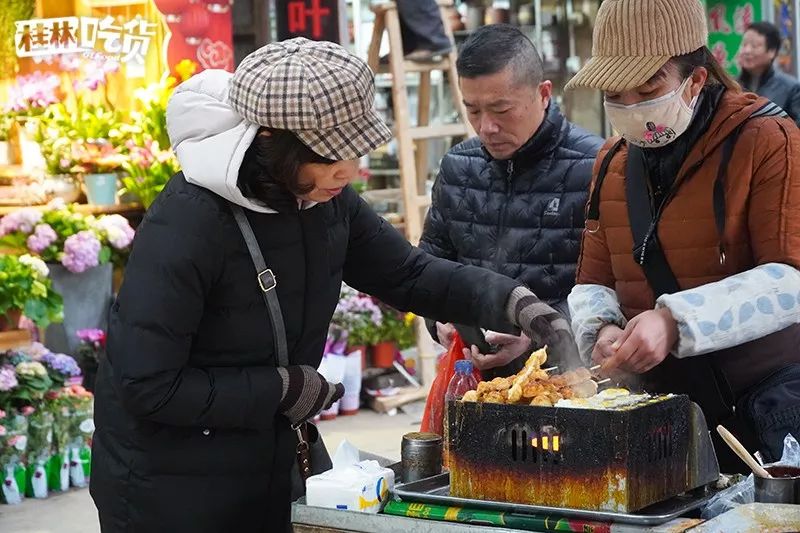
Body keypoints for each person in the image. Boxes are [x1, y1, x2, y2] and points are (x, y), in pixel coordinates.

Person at [89, 38, 578, 532]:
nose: (349, 171)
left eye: (355, 151)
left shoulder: (326, 199)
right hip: (167, 486)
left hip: (266, 456)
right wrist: (282, 389)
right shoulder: (190, 222)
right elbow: (146, 385)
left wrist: (510, 301)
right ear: (271, 145)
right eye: (329, 157)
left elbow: (407, 274)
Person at [565, 0, 800, 473]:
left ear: (696, 78)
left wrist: (674, 322)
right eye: (615, 92)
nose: (630, 106)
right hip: (655, 416)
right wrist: (603, 331)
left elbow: (790, 280)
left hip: (761, 410)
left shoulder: (769, 139)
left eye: (648, 87)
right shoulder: (610, 160)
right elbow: (593, 280)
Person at [419, 24, 602, 378]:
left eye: (502, 110)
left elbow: (613, 294)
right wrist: (436, 314)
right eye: (472, 110)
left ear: (544, 93)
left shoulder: (595, 166)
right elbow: (430, 265)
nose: (486, 127)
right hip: (475, 384)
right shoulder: (459, 166)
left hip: (568, 385)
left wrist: (536, 337)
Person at [738, 21, 800, 126]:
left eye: (754, 46)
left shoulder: (791, 88)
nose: (747, 51)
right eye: (744, 45)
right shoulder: (733, 86)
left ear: (772, 51)